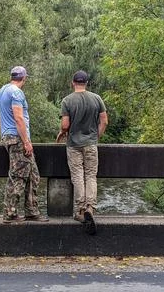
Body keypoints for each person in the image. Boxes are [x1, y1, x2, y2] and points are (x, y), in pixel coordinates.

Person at [56, 70, 108, 235]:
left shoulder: (67, 101)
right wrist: (96, 136)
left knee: (78, 176)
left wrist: (62, 133)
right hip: (91, 144)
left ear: (73, 82)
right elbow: (104, 121)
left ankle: (79, 210)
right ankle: (90, 208)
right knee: (91, 175)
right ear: (86, 83)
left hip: (73, 145)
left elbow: (65, 125)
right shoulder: (96, 98)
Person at [0, 66, 49, 224]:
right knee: (18, 177)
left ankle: (32, 211)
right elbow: (18, 118)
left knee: (33, 175)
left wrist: (3, 136)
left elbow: (0, 117)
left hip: (9, 136)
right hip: (18, 138)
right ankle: (10, 214)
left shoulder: (2, 90)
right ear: (24, 78)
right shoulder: (17, 93)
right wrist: (26, 141)